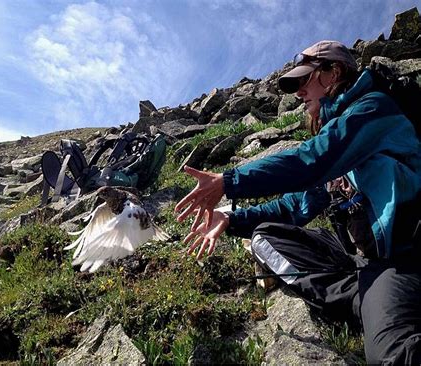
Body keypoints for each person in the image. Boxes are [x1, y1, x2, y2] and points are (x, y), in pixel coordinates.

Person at [174, 40, 421, 364]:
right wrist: (231, 220)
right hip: (364, 258)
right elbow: (295, 206)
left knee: (392, 356)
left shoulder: (374, 108)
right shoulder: (339, 145)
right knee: (267, 237)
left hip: (404, 257)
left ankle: (377, 300)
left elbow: (312, 161)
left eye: (305, 80)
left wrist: (228, 183)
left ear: (334, 72)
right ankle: (369, 297)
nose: (299, 93)